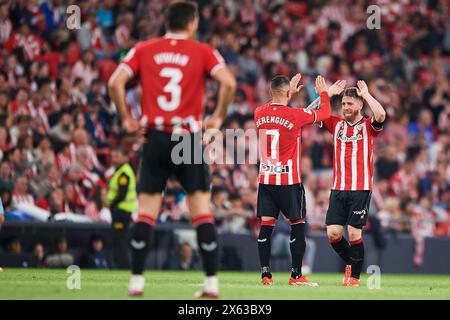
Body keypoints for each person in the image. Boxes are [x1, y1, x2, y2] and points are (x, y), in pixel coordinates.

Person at [108, 1, 236, 298]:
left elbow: (116, 82)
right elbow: (228, 83)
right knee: (201, 213)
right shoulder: (203, 51)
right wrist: (217, 117)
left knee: (146, 213)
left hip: (156, 136)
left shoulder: (144, 49)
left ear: (166, 22)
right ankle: (211, 285)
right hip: (188, 138)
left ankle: (137, 282)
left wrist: (127, 118)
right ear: (192, 23)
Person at [253, 73, 330, 286]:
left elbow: (276, 110)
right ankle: (296, 275)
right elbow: (324, 113)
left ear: (270, 92)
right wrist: (323, 93)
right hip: (288, 180)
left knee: (266, 227)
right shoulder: (295, 115)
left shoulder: (258, 112)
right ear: (288, 93)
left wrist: (288, 95)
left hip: (266, 179)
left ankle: (265, 274)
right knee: (297, 225)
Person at [313, 80, 386, 287]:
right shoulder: (335, 124)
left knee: (354, 233)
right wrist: (326, 94)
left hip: (360, 188)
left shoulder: (367, 126)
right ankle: (351, 264)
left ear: (360, 105)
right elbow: (309, 113)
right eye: (343, 104)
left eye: (349, 104)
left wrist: (367, 94)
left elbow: (381, 115)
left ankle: (354, 278)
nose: (345, 107)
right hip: (338, 188)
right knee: (333, 234)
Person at [106, 146, 136, 269]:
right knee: (119, 239)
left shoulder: (124, 172)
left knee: (120, 239)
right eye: (114, 156)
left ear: (125, 158)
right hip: (123, 210)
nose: (115, 158)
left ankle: (124, 266)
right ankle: (122, 265)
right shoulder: (121, 170)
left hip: (121, 210)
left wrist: (112, 204)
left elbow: (122, 193)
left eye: (117, 156)